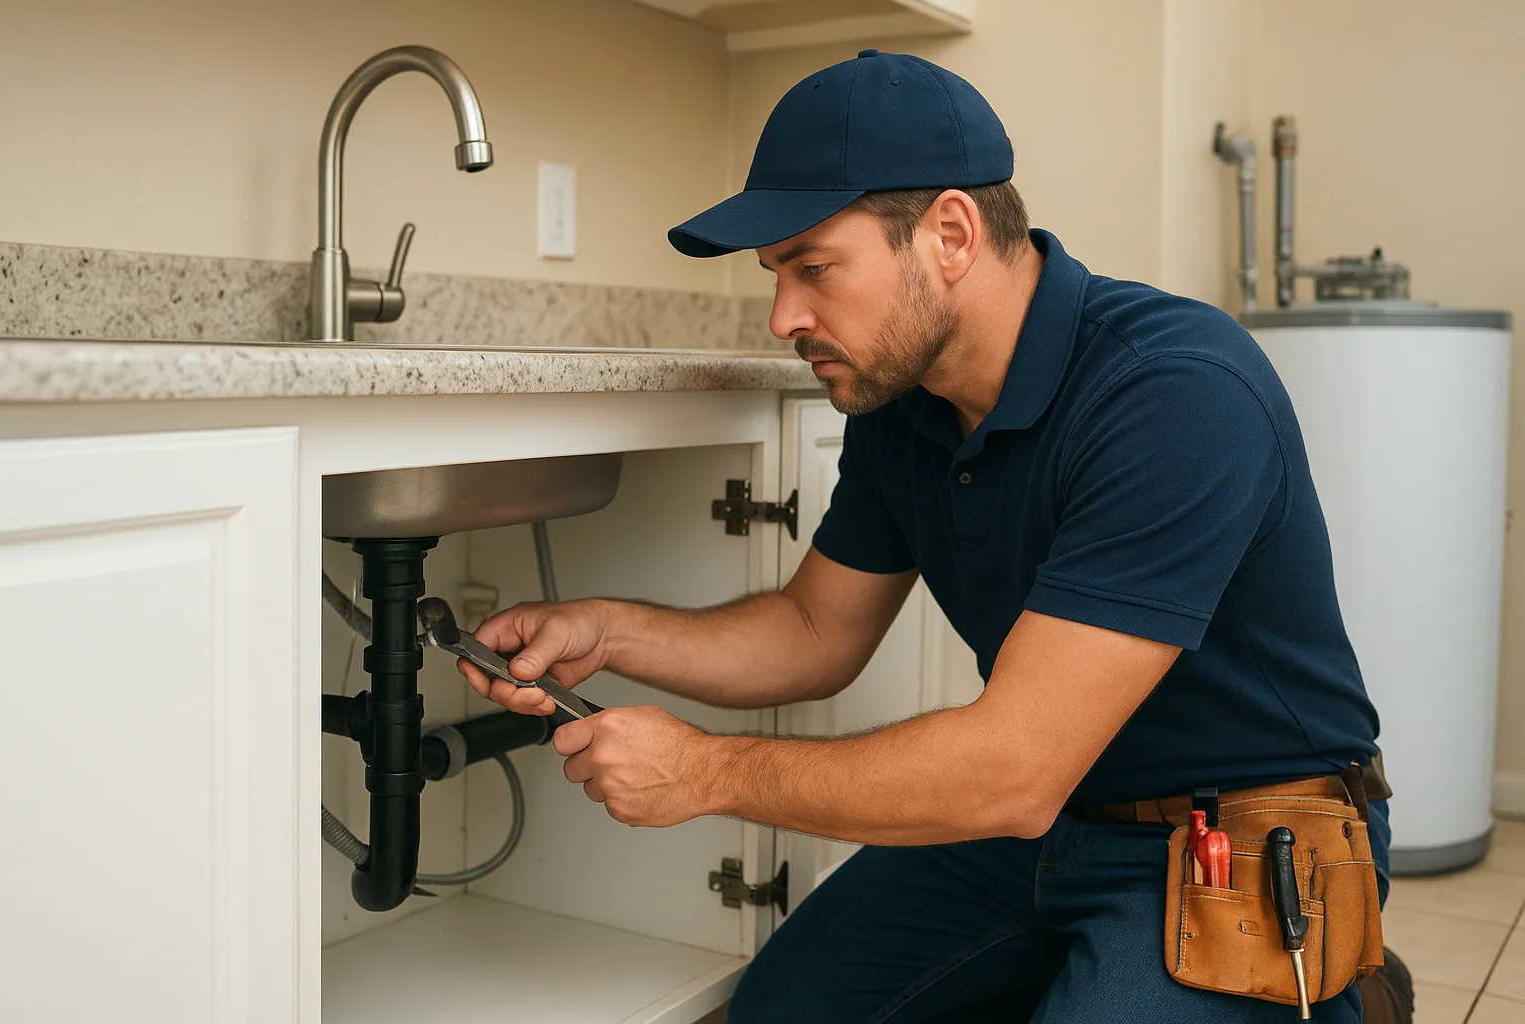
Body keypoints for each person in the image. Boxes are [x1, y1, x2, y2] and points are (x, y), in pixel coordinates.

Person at [459, 49, 1391, 1023]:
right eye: (777, 275)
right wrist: (607, 632)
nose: (784, 316)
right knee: (780, 1011)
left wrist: (706, 769)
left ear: (949, 233)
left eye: (814, 268)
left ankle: (1343, 998)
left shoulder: (1175, 391)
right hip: (1048, 823)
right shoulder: (902, 404)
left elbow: (1012, 768)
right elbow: (815, 629)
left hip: (1237, 831)